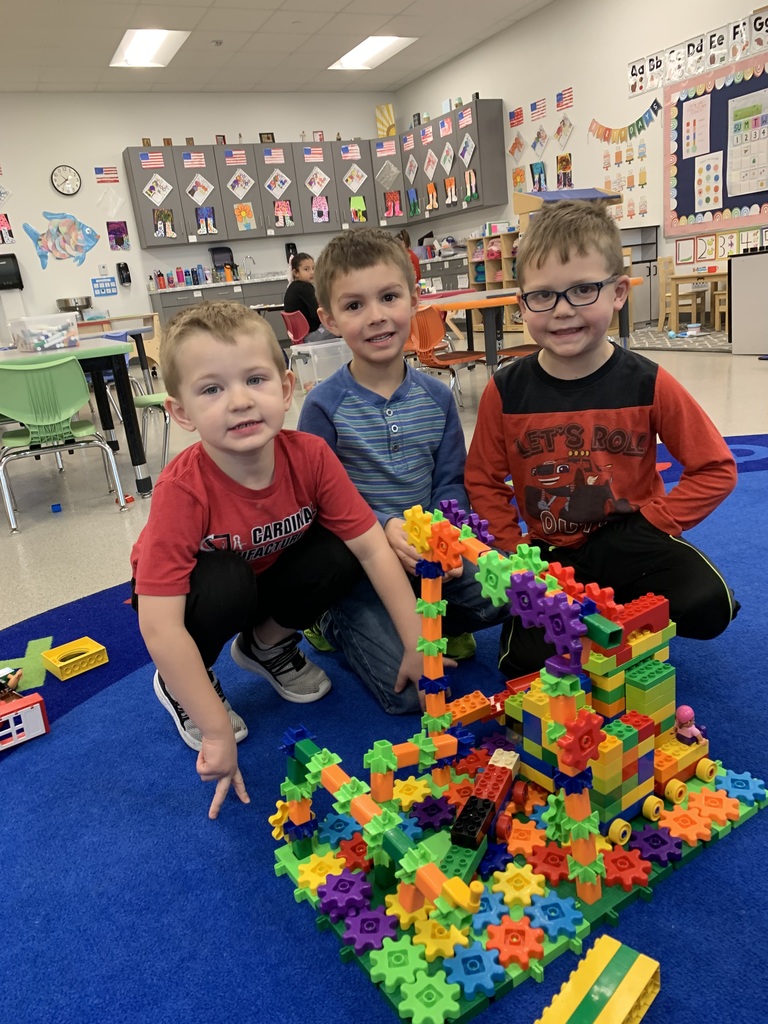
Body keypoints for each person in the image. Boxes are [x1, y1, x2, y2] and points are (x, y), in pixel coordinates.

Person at [130, 301, 423, 818]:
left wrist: (417, 643)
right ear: (181, 413)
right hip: (198, 600)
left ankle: (266, 647)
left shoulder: (309, 455)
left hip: (268, 578)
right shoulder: (183, 490)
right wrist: (217, 732)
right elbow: (158, 625)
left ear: (286, 389)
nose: (240, 401)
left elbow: (373, 548)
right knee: (225, 580)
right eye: (212, 389)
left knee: (344, 546)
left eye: (255, 379)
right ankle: (184, 680)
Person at [465, 199, 739, 678]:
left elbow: (715, 468)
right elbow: (483, 480)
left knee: (708, 605)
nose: (563, 311)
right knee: (525, 669)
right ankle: (598, 626)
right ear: (521, 304)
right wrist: (512, 555)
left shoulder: (647, 382)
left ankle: (618, 621)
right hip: (548, 551)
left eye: (583, 290)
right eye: (543, 296)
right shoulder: (506, 390)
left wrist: (657, 522)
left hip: (631, 539)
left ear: (617, 292)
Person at [297, 228, 508, 714]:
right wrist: (380, 527)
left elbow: (450, 481)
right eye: (354, 306)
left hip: (427, 557)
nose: (375, 317)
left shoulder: (437, 398)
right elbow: (318, 505)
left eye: (389, 297)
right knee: (411, 696)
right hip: (360, 569)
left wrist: (442, 536)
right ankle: (332, 622)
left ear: (414, 302)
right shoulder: (323, 407)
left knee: (506, 591)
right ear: (328, 320)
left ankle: (435, 620)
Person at [283, 252, 337, 343]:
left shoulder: (292, 287)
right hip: (311, 336)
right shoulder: (305, 288)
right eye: (306, 269)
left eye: (313, 268)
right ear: (296, 272)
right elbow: (316, 315)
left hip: (299, 337)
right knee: (342, 328)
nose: (312, 272)